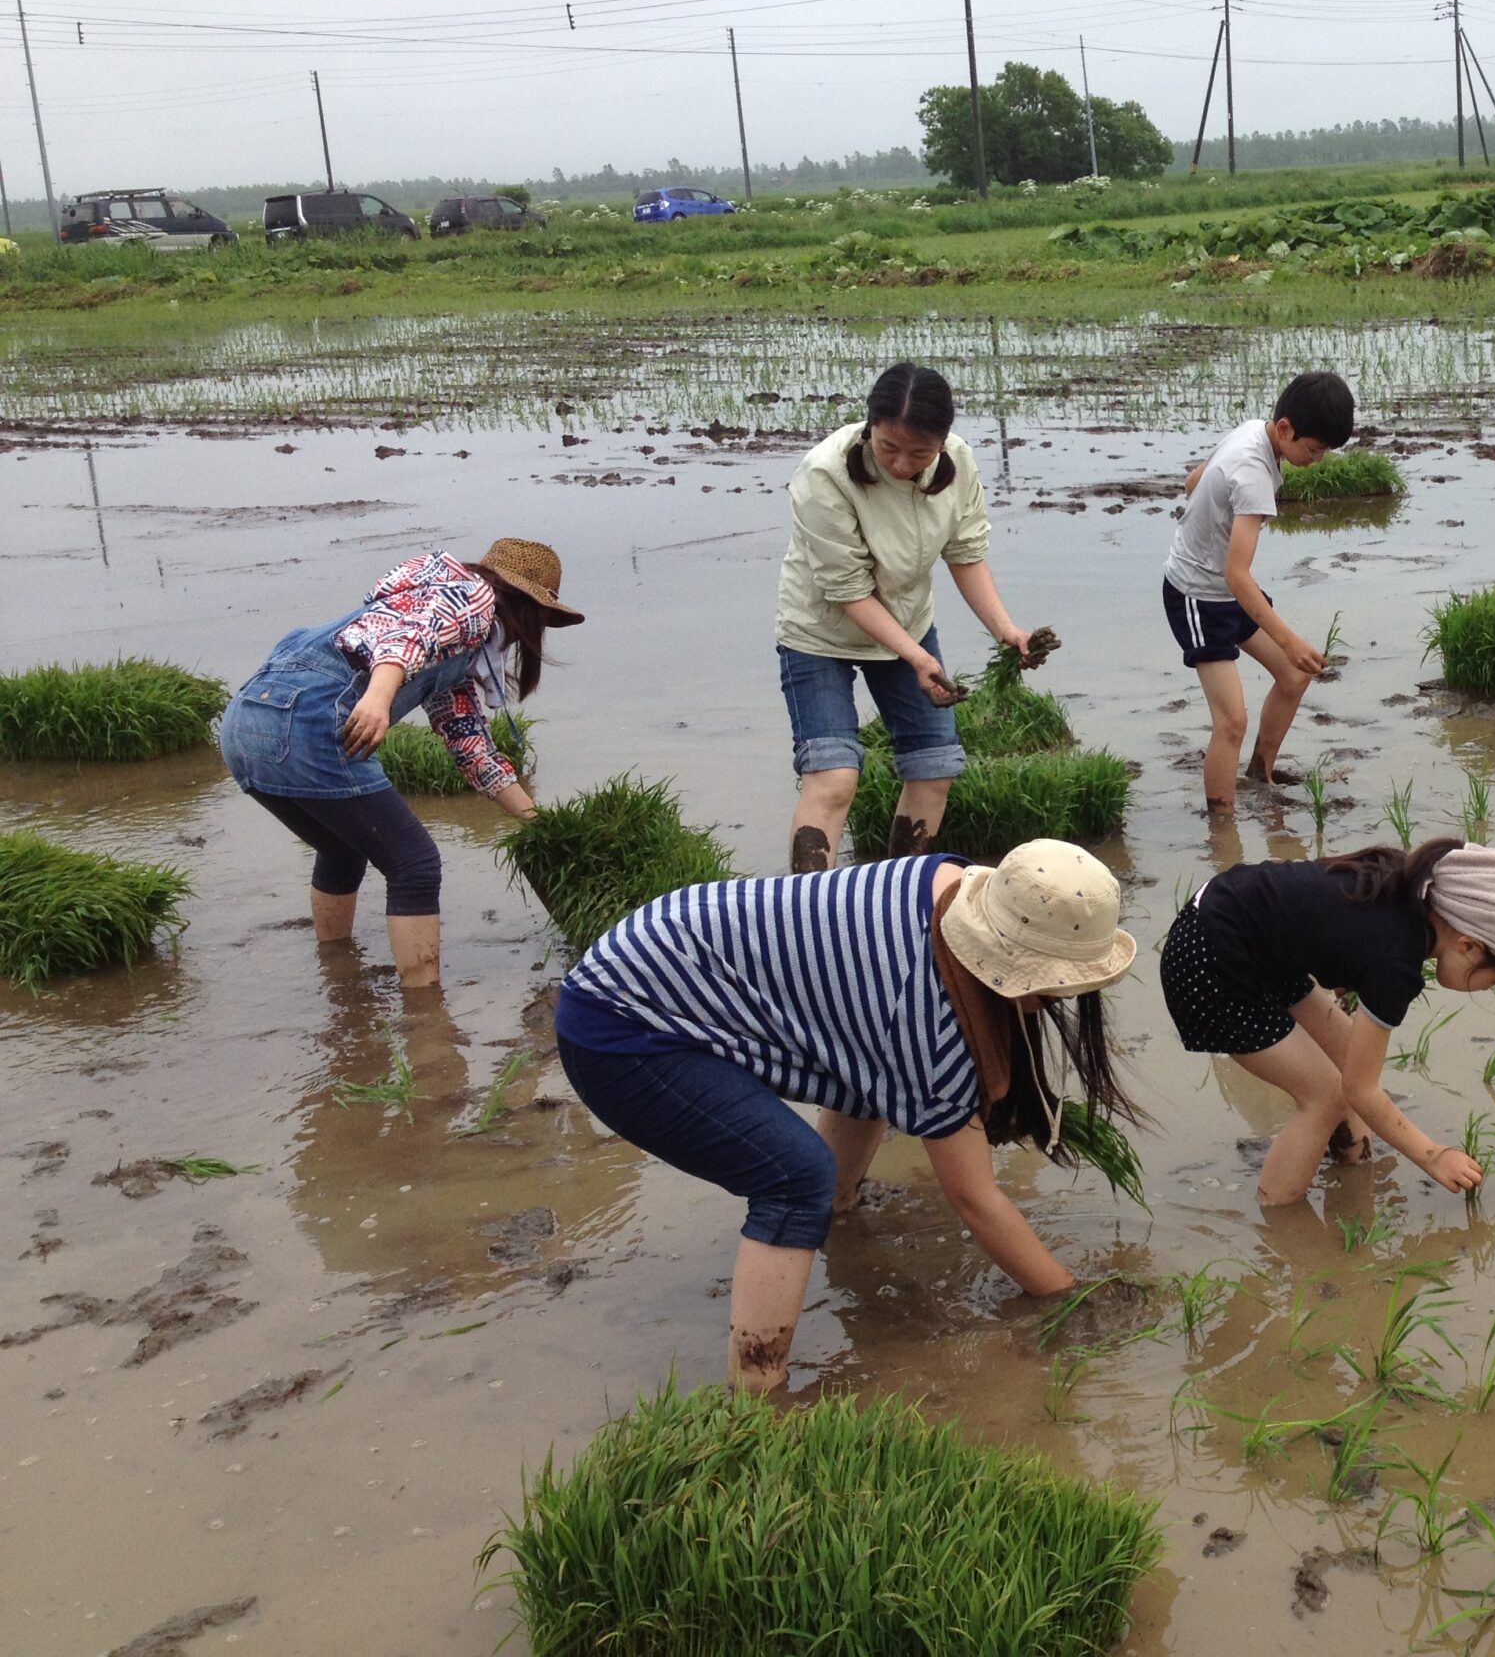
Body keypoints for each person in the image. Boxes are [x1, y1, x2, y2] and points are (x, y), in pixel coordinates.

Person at [552, 839, 1143, 1392]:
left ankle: (836, 1209)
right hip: (623, 1026)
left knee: (848, 1121)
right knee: (794, 1179)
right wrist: (1069, 1297)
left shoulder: (950, 880)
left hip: (654, 950)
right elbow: (974, 1199)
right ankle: (757, 1398)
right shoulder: (925, 1020)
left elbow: (869, 1064)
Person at [218, 540, 576, 990]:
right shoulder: (473, 596)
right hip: (305, 725)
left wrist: (539, 824)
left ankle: (339, 977)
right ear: (527, 608)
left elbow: (472, 749)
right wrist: (377, 697)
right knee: (415, 864)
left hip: (242, 728)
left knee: (342, 850)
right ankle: (425, 1011)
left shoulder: (454, 651)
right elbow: (409, 637)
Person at [1159, 839, 1495, 1206]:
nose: (1487, 990)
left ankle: (1353, 1166)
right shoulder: (1394, 964)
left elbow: (1328, 922)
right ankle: (1281, 1224)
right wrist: (1433, 1155)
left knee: (1346, 1053)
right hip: (1209, 963)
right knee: (1328, 1095)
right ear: (1469, 946)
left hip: (1234, 923)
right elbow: (1360, 1089)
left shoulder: (1406, 889)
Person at [777, 362, 1050, 871]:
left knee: (934, 769)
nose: (902, 464)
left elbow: (966, 554)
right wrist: (918, 658)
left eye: (920, 453)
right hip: (819, 634)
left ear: (942, 442)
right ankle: (807, 902)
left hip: (908, 624)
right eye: (888, 448)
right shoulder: (824, 473)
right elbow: (848, 591)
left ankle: (899, 890)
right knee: (833, 777)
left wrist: (1006, 630)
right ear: (870, 427)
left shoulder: (958, 461)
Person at [1162, 370, 1356, 811]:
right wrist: (1289, 641)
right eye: (1314, 449)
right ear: (1285, 429)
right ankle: (1222, 827)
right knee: (1232, 721)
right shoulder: (1254, 475)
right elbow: (1237, 575)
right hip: (1197, 595)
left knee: (1294, 675)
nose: (1317, 460)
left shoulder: (1253, 430)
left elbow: (1194, 481)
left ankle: (1259, 776)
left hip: (1224, 589)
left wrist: (1207, 519)